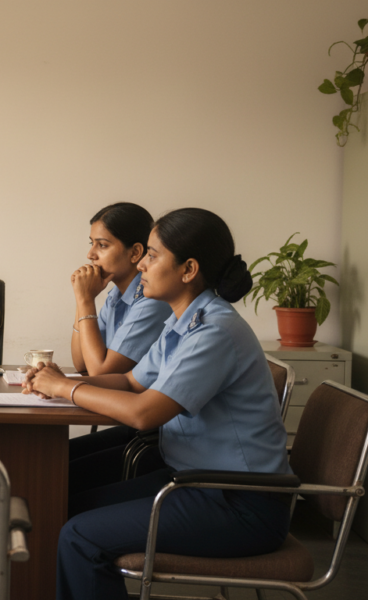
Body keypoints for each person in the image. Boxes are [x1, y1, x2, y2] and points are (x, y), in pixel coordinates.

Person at [23, 208, 292, 600]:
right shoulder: (184, 320)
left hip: (241, 504)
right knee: (66, 508)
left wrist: (66, 389)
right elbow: (132, 381)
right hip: (196, 482)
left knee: (80, 535)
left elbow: (144, 412)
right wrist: (59, 382)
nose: (142, 265)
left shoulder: (214, 332)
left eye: (152, 255)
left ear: (188, 269)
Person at [67, 203, 171, 495]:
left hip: (154, 433)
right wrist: (82, 301)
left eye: (102, 244)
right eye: (92, 244)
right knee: (57, 459)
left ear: (135, 253)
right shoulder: (116, 294)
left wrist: (86, 301)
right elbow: (80, 363)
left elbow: (101, 370)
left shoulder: (152, 299)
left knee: (60, 474)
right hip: (140, 422)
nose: (90, 254)